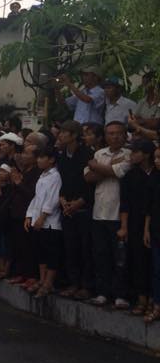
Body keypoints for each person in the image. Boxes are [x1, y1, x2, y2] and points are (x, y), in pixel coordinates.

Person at [84, 121, 132, 308]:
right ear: (105, 136)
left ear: (125, 135)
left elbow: (116, 172)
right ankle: (103, 292)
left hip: (119, 215)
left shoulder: (129, 155)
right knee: (101, 255)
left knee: (120, 258)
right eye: (111, 133)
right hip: (99, 213)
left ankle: (120, 295)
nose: (115, 137)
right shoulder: (98, 154)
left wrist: (97, 166)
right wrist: (106, 168)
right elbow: (88, 177)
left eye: (118, 133)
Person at [56, 120, 95, 300]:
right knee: (70, 247)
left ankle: (86, 285)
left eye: (65, 132)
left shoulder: (87, 154)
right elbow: (62, 181)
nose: (61, 135)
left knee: (85, 248)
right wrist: (63, 199)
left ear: (73, 135)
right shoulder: (62, 155)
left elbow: (90, 184)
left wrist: (80, 202)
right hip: (67, 206)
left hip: (84, 208)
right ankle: (73, 283)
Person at [118, 139, 155, 314]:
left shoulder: (156, 174)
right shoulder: (130, 175)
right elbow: (124, 204)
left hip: (154, 222)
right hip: (135, 222)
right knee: (138, 260)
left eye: (135, 152)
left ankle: (154, 299)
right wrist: (124, 226)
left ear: (146, 154)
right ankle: (141, 299)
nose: (131, 156)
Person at [25, 147, 63, 298]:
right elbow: (37, 198)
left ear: (51, 159)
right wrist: (29, 215)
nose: (39, 160)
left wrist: (42, 217)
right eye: (38, 157)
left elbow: (53, 199)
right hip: (38, 220)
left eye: (42, 157)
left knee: (51, 253)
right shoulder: (42, 176)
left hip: (51, 223)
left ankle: (48, 283)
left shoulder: (55, 176)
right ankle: (42, 280)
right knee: (40, 252)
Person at [144, 145, 160, 323]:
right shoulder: (154, 179)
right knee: (157, 270)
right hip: (155, 230)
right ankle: (157, 305)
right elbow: (149, 207)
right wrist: (147, 230)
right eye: (155, 158)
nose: (156, 161)